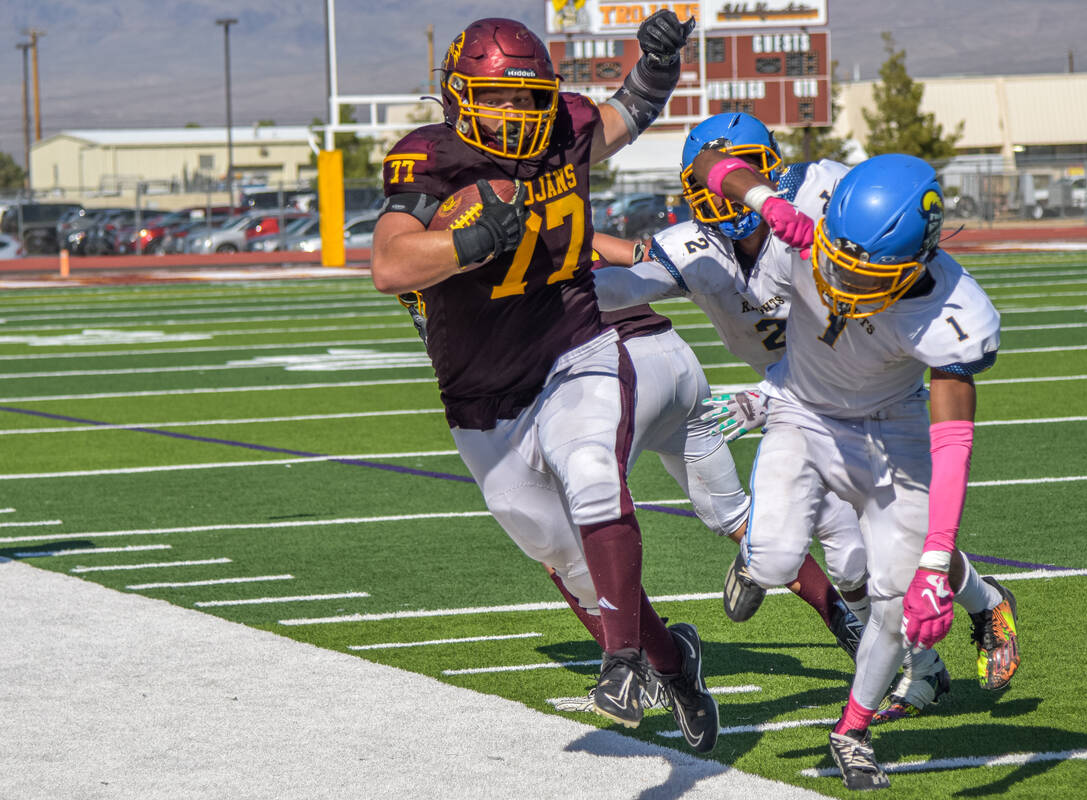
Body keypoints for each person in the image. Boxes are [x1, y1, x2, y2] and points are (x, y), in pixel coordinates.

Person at [370, 15, 720, 753]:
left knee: (593, 472)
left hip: (572, 344)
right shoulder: (429, 158)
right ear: (459, 97)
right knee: (560, 553)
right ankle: (672, 660)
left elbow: (626, 115)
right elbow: (390, 266)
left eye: (528, 98)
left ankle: (620, 662)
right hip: (479, 392)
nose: (515, 113)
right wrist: (468, 241)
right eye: (497, 97)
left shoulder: (563, 125)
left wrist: (656, 65)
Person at [593, 113, 950, 720]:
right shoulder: (695, 249)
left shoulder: (821, 204)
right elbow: (621, 280)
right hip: (798, 400)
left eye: (746, 172)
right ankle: (913, 662)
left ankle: (943, 640)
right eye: (716, 182)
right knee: (843, 548)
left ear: (774, 169)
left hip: (869, 389)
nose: (727, 193)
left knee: (877, 541)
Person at [687, 147, 1019, 788]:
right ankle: (758, 561)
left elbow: (953, 446)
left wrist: (934, 561)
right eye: (838, 261)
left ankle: (853, 730)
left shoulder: (952, 311)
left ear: (915, 261)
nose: (844, 283)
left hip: (891, 427)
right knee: (780, 563)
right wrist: (765, 201)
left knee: (900, 601)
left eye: (868, 276)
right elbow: (707, 161)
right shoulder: (811, 194)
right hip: (801, 410)